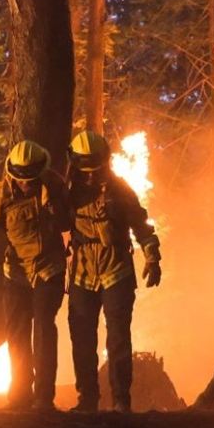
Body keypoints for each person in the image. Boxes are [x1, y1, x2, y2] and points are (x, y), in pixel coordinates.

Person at [66, 130, 162, 413]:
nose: (91, 178)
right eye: (85, 173)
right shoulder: (67, 192)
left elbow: (142, 226)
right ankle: (87, 400)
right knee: (82, 338)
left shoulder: (120, 190)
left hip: (116, 271)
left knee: (118, 338)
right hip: (82, 273)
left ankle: (121, 401)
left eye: (96, 172)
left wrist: (152, 258)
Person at [0, 140, 71, 411]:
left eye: (31, 180)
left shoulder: (55, 185)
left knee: (43, 331)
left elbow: (68, 223)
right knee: (16, 336)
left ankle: (44, 399)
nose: (26, 185)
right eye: (22, 180)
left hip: (49, 271)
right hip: (15, 274)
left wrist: (54, 208)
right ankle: (18, 398)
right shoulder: (0, 193)